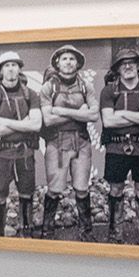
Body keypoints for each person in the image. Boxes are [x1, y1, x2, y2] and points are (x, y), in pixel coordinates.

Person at [98, 48, 139, 242]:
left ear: (138, 65)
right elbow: (108, 121)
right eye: (122, 63)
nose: (127, 66)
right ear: (117, 68)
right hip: (116, 147)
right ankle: (114, 234)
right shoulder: (109, 90)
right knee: (115, 189)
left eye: (131, 62)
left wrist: (123, 114)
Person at [36, 44, 97, 235]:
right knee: (54, 189)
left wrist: (61, 110)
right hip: (57, 143)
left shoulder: (86, 86)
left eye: (72, 58)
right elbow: (48, 119)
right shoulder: (48, 87)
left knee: (82, 188)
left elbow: (94, 115)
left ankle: (86, 231)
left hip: (82, 142)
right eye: (64, 59)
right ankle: (47, 230)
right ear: (57, 63)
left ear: (77, 63)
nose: (68, 62)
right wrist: (79, 113)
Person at [0, 50, 43, 237]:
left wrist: (5, 122)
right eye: (7, 66)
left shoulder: (30, 94)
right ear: (1, 70)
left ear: (19, 69)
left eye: (14, 65)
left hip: (24, 153)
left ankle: (27, 231)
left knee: (26, 193)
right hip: (2, 154)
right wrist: (23, 125)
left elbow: (37, 124)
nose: (10, 69)